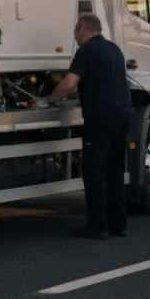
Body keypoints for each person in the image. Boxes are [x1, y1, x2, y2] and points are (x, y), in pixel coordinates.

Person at [45, 12, 132, 239]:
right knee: (115, 171)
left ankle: (97, 226)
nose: (75, 36)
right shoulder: (114, 50)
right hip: (122, 115)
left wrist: (52, 98)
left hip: (100, 119)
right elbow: (98, 81)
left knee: (94, 171)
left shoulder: (86, 51)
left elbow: (69, 82)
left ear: (83, 29)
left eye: (76, 31)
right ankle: (118, 224)